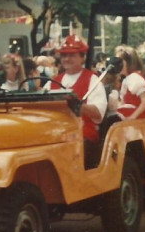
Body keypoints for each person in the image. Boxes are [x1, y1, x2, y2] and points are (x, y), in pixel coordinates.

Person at [45, 35, 108, 169]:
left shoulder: (93, 80)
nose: (67, 59)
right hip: (55, 135)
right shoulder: (52, 82)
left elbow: (98, 114)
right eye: (64, 55)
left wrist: (78, 105)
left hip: (83, 136)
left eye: (72, 55)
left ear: (82, 57)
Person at [114, 45, 145, 120]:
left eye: (120, 62)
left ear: (129, 63)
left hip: (139, 120)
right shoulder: (127, 79)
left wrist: (133, 116)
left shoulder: (134, 78)